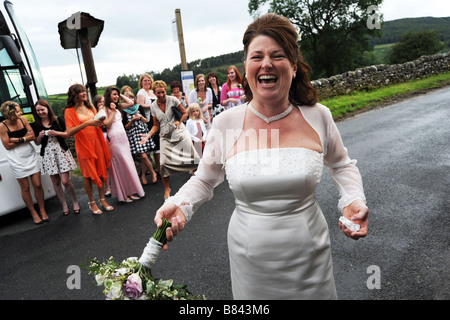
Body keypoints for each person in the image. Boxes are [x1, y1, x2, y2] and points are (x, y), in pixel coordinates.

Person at [150, 13, 369, 300]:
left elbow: (341, 165)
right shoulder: (226, 123)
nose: (266, 63)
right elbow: (204, 180)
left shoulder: (319, 116)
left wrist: (353, 199)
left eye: (277, 55)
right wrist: (179, 204)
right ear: (246, 67)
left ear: (293, 66)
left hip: (309, 254)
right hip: (249, 257)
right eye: (257, 56)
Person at [140, 80, 200, 199]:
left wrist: (179, 121)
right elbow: (156, 125)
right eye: (158, 93)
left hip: (179, 132)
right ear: (154, 93)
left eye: (162, 92)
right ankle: (167, 188)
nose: (161, 95)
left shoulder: (173, 100)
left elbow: (184, 113)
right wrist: (148, 134)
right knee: (163, 165)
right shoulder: (153, 106)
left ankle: (200, 180)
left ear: (165, 91)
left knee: (194, 159)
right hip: (165, 137)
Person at [64, 84, 112, 215]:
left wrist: (99, 123)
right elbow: (69, 132)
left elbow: (96, 122)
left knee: (101, 171)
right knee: (88, 175)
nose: (85, 94)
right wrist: (86, 123)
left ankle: (102, 200)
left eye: (85, 91)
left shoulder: (90, 106)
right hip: (84, 145)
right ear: (74, 95)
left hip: (97, 142)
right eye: (81, 92)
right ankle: (92, 202)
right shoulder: (69, 111)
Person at [0, 101, 49, 224]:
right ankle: (33, 212)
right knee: (25, 187)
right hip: (16, 160)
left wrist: (16, 139)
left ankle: (42, 210)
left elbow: (32, 137)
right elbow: (7, 146)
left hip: (30, 156)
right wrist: (24, 138)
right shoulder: (2, 126)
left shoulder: (23, 120)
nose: (20, 113)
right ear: (10, 114)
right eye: (17, 111)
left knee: (37, 185)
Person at [32, 99, 79, 216]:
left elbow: (69, 134)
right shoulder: (35, 125)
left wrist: (56, 133)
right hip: (48, 155)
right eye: (38, 110)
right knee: (56, 182)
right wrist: (40, 136)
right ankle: (64, 204)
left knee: (65, 181)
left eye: (42, 109)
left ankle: (75, 202)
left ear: (48, 109)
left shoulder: (57, 120)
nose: (40, 112)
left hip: (61, 151)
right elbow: (37, 143)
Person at [103, 86, 145, 203]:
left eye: (117, 94)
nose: (116, 96)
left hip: (124, 139)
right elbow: (107, 124)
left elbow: (131, 102)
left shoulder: (119, 106)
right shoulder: (105, 108)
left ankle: (130, 192)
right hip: (114, 140)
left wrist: (120, 95)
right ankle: (124, 194)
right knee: (121, 165)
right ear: (108, 96)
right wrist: (112, 111)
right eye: (114, 94)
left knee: (128, 164)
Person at [122, 91, 158, 186]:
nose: (131, 100)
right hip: (133, 135)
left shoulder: (139, 107)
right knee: (143, 156)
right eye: (128, 99)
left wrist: (141, 117)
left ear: (134, 99)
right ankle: (151, 172)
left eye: (132, 98)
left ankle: (145, 175)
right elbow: (126, 127)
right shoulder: (124, 112)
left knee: (143, 156)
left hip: (142, 133)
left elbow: (146, 120)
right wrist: (132, 120)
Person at [137, 73, 160, 174]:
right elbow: (140, 105)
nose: (147, 82)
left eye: (148, 80)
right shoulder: (141, 92)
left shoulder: (152, 91)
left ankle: (159, 168)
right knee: (150, 146)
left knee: (158, 146)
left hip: (157, 119)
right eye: (145, 81)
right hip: (148, 121)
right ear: (141, 82)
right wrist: (152, 106)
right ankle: (146, 171)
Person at [93, 94, 112, 198]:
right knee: (105, 165)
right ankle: (108, 187)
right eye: (99, 102)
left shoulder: (108, 111)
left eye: (103, 101)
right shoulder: (94, 114)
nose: (102, 103)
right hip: (100, 139)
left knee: (111, 163)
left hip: (109, 137)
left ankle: (114, 185)